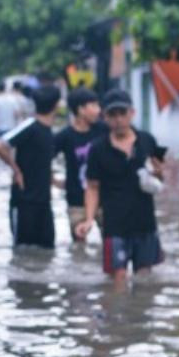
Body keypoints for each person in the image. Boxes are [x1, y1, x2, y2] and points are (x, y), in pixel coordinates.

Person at [79, 88, 168, 285]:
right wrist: (89, 219)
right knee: (117, 280)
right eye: (112, 115)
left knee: (144, 280)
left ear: (132, 113)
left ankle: (138, 315)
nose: (118, 119)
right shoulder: (97, 148)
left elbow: (160, 177)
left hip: (145, 222)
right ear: (105, 117)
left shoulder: (147, 140)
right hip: (114, 224)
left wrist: (159, 172)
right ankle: (116, 314)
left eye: (122, 113)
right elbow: (92, 187)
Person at [0, 84, 62, 249]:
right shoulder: (30, 126)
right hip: (24, 201)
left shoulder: (49, 131)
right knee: (22, 250)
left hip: (44, 202)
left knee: (46, 251)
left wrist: (55, 181)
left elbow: (42, 161)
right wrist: (16, 170)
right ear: (57, 105)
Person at [52, 87, 107, 242]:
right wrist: (54, 181)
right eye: (94, 106)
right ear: (81, 110)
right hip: (76, 199)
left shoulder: (104, 130)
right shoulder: (65, 136)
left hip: (104, 198)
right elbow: (43, 159)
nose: (98, 110)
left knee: (111, 243)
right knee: (78, 248)